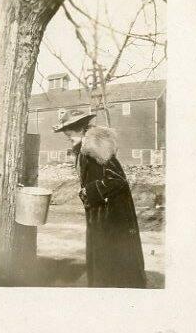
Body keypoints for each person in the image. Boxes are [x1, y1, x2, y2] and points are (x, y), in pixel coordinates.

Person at [53, 109, 146, 288]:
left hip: (112, 216)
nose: (69, 140)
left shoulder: (94, 148)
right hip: (101, 212)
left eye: (70, 136)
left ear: (81, 130)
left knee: (112, 264)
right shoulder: (84, 150)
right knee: (103, 260)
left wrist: (89, 192)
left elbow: (117, 179)